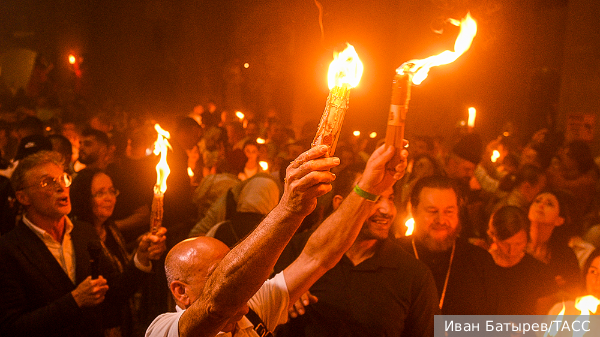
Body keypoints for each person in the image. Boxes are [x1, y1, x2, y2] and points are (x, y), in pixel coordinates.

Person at [145, 143, 407, 337]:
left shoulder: (252, 311)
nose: (245, 280)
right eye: (219, 273)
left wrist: (369, 187)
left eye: (234, 263)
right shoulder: (164, 330)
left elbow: (318, 256)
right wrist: (288, 209)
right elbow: (217, 303)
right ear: (181, 292)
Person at [273, 148, 439, 337]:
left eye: (390, 199)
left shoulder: (413, 275)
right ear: (339, 203)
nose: (386, 210)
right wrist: (284, 292)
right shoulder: (296, 252)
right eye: (373, 197)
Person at [0, 151, 165, 337]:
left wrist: (140, 259)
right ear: (23, 197)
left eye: (63, 179)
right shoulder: (9, 250)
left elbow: (113, 295)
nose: (61, 187)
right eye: (47, 182)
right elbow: (11, 328)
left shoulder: (83, 232)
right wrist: (74, 300)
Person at [70, 168, 168, 336]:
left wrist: (142, 249)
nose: (109, 198)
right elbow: (113, 291)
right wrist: (140, 258)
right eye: (100, 193)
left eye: (112, 191)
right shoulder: (77, 235)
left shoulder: (110, 228)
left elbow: (120, 270)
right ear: (84, 197)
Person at [398, 175, 500, 315]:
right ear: (413, 210)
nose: (441, 220)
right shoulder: (393, 255)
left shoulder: (480, 261)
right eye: (432, 211)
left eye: (449, 212)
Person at [487, 206, 556, 315]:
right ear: (493, 236)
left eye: (518, 244)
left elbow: (542, 320)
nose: (511, 251)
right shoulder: (480, 267)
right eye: (505, 244)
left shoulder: (539, 272)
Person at [527, 190, 584, 296]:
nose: (541, 205)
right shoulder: (513, 243)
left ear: (559, 220)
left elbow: (574, 296)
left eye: (549, 204)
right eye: (537, 201)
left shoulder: (565, 256)